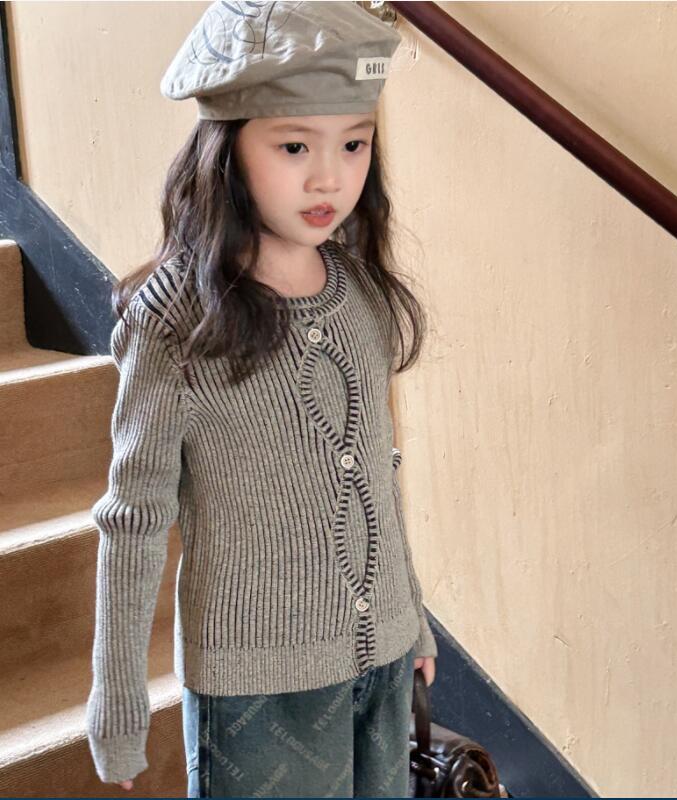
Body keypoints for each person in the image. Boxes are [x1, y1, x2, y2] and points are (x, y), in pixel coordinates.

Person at [84, 1, 438, 797]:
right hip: (257, 687)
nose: (329, 177)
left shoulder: (360, 293)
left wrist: (409, 616)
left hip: (381, 662)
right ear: (224, 150)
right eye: (293, 146)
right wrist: (118, 702)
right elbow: (134, 518)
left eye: (354, 143)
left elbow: (373, 476)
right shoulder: (175, 321)